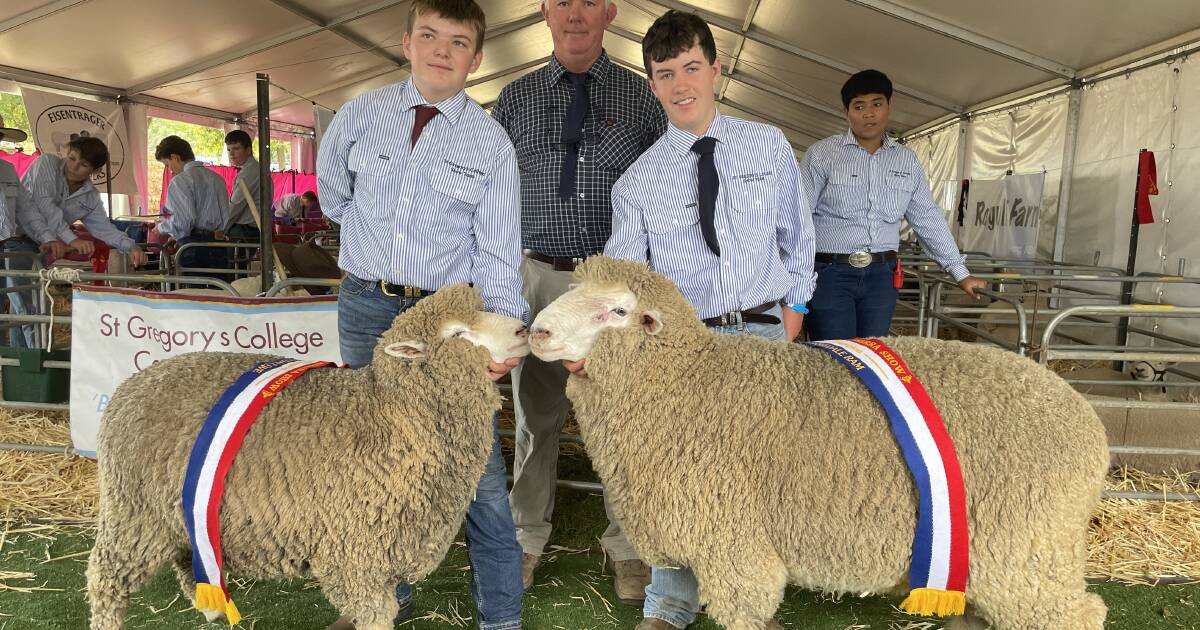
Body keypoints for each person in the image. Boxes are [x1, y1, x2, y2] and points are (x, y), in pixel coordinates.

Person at [598, 11, 814, 630]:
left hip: (762, 332)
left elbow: (799, 236)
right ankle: (670, 602)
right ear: (651, 84)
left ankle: (751, 601)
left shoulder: (767, 146)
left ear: (716, 70)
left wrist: (794, 309)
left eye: (692, 68)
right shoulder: (637, 184)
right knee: (675, 475)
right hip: (684, 349)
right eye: (665, 74)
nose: (681, 85)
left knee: (762, 471)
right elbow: (627, 280)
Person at [316, 1, 526, 629]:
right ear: (406, 42)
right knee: (374, 457)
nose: (442, 50)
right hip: (365, 304)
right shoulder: (359, 115)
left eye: (458, 42)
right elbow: (332, 196)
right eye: (430, 36)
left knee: (477, 468)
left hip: (445, 321)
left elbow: (499, 249)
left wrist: (499, 343)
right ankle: (382, 599)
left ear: (476, 58)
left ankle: (501, 616)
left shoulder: (490, 142)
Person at [490, 0, 667, 600]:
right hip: (534, 273)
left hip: (609, 289)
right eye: (562, 0)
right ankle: (525, 535)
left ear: (610, 13)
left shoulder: (644, 98)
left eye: (589, 1)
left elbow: (663, 189)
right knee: (535, 413)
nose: (575, 14)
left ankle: (629, 544)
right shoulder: (513, 99)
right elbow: (491, 192)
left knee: (620, 417)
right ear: (543, 12)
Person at [800, 69, 986, 341]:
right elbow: (799, 214)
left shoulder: (906, 161)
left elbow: (927, 217)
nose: (869, 114)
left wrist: (960, 272)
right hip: (830, 274)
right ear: (846, 112)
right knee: (833, 355)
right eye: (859, 106)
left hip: (881, 277)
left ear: (889, 106)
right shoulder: (822, 155)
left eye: (877, 104)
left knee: (875, 355)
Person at [153, 135, 231, 277]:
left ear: (175, 157)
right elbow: (227, 216)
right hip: (218, 244)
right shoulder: (217, 179)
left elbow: (183, 221)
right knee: (220, 293)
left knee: (195, 294)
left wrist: (160, 228)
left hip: (192, 247)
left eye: (168, 164)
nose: (170, 170)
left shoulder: (179, 181)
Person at [0, 117, 32, 346]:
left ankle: (3, 365)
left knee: (3, 305)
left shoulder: (9, 170)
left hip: (4, 247)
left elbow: (25, 209)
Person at [223, 129, 272, 242]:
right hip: (251, 228)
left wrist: (221, 229)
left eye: (236, 148)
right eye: (229, 149)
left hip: (245, 230)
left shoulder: (249, 172)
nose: (231, 153)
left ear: (248, 150)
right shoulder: (254, 169)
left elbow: (236, 206)